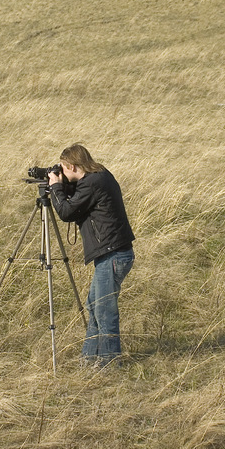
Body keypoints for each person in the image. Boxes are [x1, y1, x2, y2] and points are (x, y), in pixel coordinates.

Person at [47, 144, 135, 368]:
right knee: (95, 305)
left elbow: (66, 212)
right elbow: (81, 198)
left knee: (104, 310)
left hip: (112, 255)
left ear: (73, 166)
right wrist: (63, 187)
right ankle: (89, 359)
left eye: (64, 169)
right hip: (114, 253)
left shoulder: (92, 183)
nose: (63, 174)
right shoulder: (100, 176)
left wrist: (56, 188)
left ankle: (108, 362)